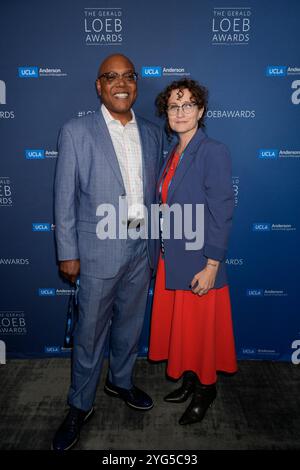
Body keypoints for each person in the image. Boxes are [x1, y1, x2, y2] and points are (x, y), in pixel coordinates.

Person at [52, 54, 162, 450]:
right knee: (88, 334)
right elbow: (64, 198)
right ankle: (79, 405)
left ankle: (120, 381)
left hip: (140, 249)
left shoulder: (152, 134)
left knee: (130, 326)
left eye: (128, 77)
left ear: (136, 84)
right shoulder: (77, 131)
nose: (121, 83)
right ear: (99, 86)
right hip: (97, 251)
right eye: (111, 77)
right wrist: (68, 251)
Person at [148, 78, 237, 425]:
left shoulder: (212, 150)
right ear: (166, 112)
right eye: (174, 106)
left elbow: (222, 209)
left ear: (201, 111)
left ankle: (206, 389)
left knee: (200, 333)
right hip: (173, 258)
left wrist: (212, 264)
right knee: (183, 331)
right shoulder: (172, 154)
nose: (180, 112)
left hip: (200, 262)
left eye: (188, 105)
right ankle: (189, 380)